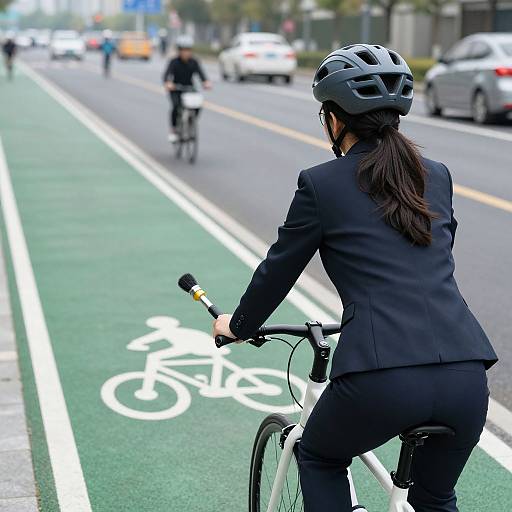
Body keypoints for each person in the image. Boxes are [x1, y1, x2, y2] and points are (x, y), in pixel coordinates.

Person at [213, 44, 497, 512]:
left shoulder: (321, 184)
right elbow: (435, 256)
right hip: (465, 377)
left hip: (382, 376)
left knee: (319, 456)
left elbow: (278, 269)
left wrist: (237, 325)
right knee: (434, 498)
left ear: (334, 118)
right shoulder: (438, 176)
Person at [162, 35, 211, 143]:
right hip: (176, 89)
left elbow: (201, 74)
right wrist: (168, 83)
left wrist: (206, 82)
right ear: (179, 50)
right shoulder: (174, 62)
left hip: (189, 88)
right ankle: (174, 130)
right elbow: (166, 74)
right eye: (183, 50)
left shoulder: (194, 62)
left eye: (188, 50)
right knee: (175, 106)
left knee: (198, 104)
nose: (186, 53)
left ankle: (190, 121)